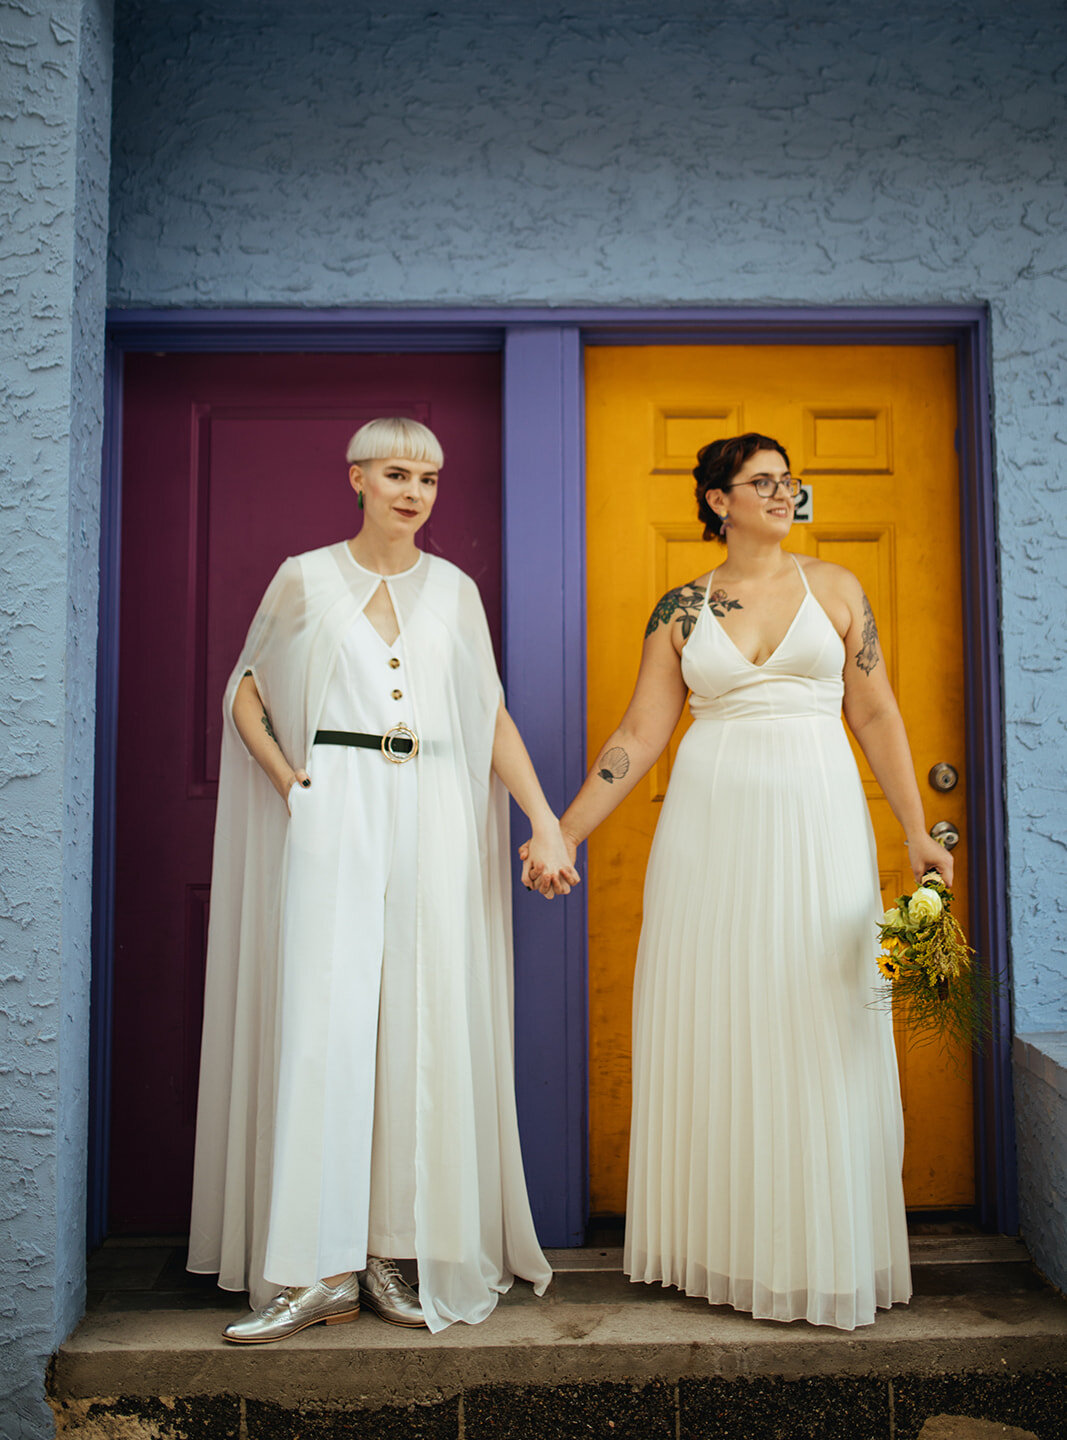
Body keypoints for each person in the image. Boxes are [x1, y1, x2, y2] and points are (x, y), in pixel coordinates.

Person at [527, 432, 952, 1330]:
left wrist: (915, 830)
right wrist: (560, 832)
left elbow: (874, 710)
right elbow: (639, 736)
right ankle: (723, 1249)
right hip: (708, 834)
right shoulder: (680, 609)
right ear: (717, 500)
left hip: (817, 825)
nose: (780, 492)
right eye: (760, 481)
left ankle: (821, 1250)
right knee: (721, 1015)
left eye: (787, 480)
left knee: (820, 1014)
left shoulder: (835, 590)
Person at [188, 416, 577, 1342]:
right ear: (356, 477)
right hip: (337, 804)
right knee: (324, 1023)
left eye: (431, 478)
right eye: (397, 473)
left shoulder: (454, 590)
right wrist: (291, 783)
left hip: (438, 810)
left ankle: (394, 1255)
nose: (414, 492)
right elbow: (245, 685)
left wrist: (543, 818)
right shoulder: (305, 576)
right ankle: (313, 1270)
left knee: (419, 1023)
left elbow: (489, 716)